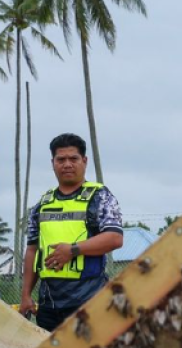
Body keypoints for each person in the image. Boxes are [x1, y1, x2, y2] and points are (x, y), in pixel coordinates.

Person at [19, 133, 124, 331]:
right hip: (49, 306)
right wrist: (25, 295)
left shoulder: (100, 197)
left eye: (73, 159)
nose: (67, 164)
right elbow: (32, 250)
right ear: (53, 163)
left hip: (89, 302)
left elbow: (115, 238)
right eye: (61, 159)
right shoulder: (42, 204)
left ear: (84, 161)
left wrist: (72, 250)